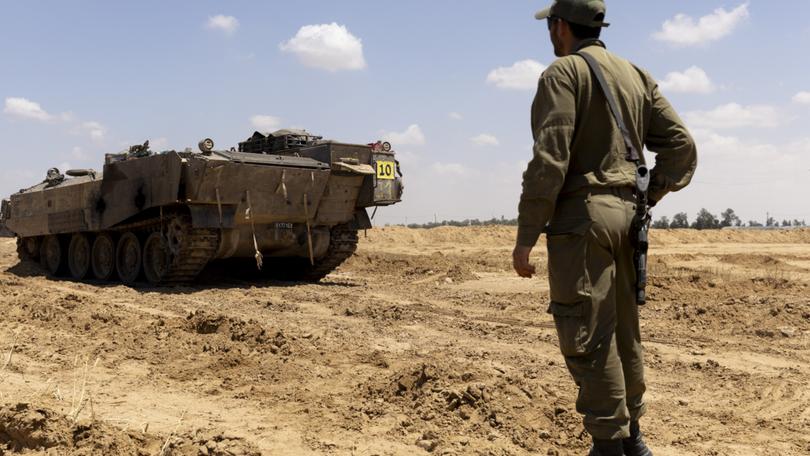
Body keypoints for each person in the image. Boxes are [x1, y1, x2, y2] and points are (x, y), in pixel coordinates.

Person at [511, 1, 697, 455]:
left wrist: (526, 236)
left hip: (583, 221)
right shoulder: (636, 74)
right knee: (622, 330)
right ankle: (632, 439)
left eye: (550, 27)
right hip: (629, 219)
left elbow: (549, 160)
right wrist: (649, 195)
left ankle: (609, 445)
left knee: (586, 333)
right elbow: (682, 146)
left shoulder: (563, 74)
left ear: (559, 27)